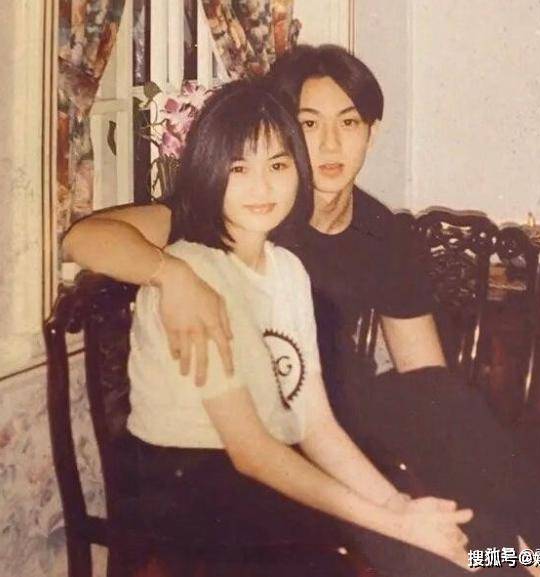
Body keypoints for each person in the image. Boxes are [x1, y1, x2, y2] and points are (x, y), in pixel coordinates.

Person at [63, 45, 540, 575]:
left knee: (451, 424)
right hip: (252, 440)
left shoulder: (371, 233)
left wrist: (437, 476)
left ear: (372, 133)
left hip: (334, 411)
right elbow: (84, 238)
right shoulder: (236, 214)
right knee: (426, 533)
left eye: (349, 122)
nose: (331, 143)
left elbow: (422, 375)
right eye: (310, 123)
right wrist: (171, 274)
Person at [120, 78, 478, 577]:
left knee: (434, 548)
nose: (262, 187)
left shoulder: (286, 270)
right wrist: (394, 524)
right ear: (207, 171)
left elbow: (315, 424)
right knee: (371, 552)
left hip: (261, 471)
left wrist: (400, 508)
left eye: (278, 165)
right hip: (187, 487)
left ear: (299, 171)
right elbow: (251, 453)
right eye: (239, 168)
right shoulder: (197, 273)